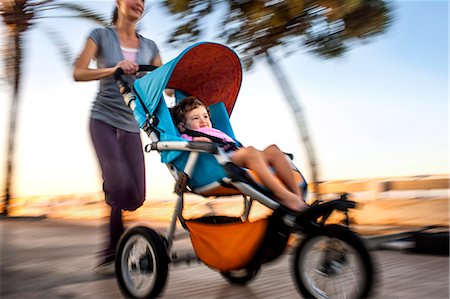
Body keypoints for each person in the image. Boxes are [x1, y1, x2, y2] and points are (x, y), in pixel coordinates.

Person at [73, 0, 162, 270]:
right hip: (102, 121)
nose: (139, 3)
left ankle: (114, 247)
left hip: (132, 125)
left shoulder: (151, 47)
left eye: (143, 0)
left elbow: (164, 83)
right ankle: (113, 188)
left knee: (135, 198)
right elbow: (78, 72)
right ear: (118, 2)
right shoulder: (100, 36)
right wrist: (114, 70)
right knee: (120, 185)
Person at [171, 96, 308, 213]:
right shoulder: (187, 136)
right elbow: (185, 144)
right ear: (183, 126)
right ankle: (284, 196)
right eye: (196, 118)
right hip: (224, 162)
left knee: (274, 150)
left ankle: (297, 196)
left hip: (236, 154)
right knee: (251, 152)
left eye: (205, 116)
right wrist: (196, 141)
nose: (203, 121)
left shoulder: (215, 131)